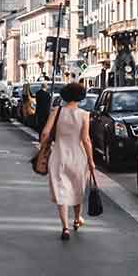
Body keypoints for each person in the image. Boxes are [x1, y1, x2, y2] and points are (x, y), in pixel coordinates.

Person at [41, 81, 95, 240]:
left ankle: (65, 227)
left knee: (61, 190)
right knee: (78, 187)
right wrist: (91, 160)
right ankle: (77, 219)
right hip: (78, 156)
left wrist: (42, 148)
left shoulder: (56, 111)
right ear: (81, 97)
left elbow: (45, 133)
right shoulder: (84, 115)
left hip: (59, 155)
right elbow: (86, 139)